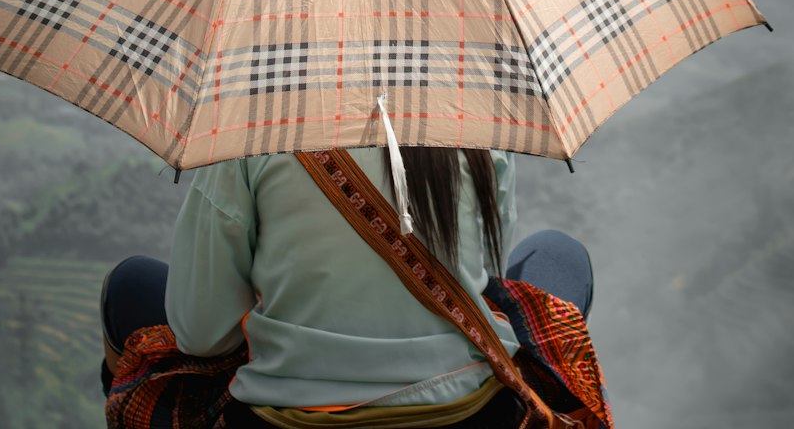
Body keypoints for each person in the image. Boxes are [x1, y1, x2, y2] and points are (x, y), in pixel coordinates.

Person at [100, 146, 594, 428]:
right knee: (557, 255)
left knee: (131, 284)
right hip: (470, 415)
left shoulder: (252, 131)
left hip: (287, 418)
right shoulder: (472, 121)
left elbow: (203, 335)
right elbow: (482, 279)